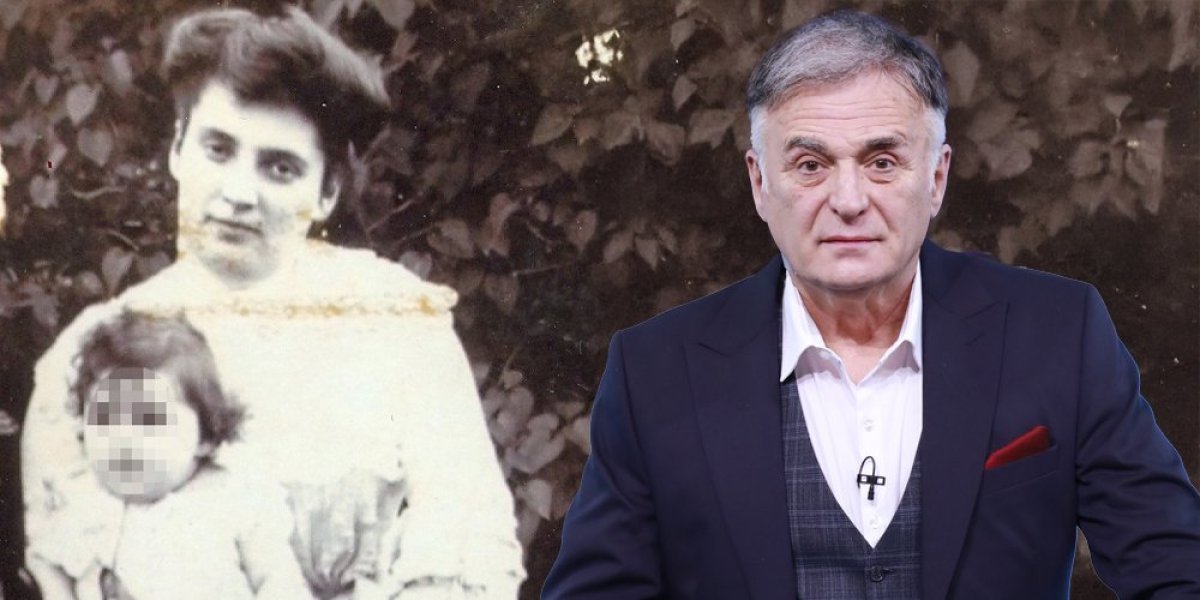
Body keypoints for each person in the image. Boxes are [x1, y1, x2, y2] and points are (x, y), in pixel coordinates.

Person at [544, 10, 1200, 599]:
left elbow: (1178, 567)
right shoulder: (654, 372)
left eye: (882, 161)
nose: (850, 200)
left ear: (936, 177)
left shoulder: (1057, 333)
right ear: (760, 183)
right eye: (811, 164)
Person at [21, 6, 524, 600]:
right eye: (218, 149)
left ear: (327, 191)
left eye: (280, 168)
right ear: (178, 148)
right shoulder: (94, 350)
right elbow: (61, 566)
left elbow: (473, 538)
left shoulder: (395, 322)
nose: (239, 193)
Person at [25, 310, 312, 600]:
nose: (124, 440)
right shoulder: (89, 502)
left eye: (150, 422)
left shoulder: (234, 497)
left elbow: (277, 578)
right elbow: (44, 560)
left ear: (205, 436)